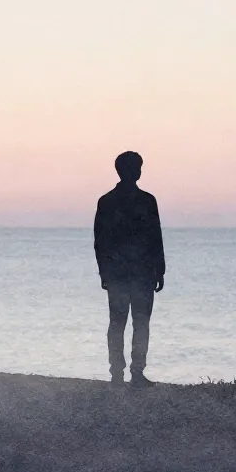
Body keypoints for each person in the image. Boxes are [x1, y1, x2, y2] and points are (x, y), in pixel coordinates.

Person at [93, 150, 165, 386]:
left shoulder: (113, 201)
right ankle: (124, 373)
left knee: (128, 323)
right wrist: (104, 271)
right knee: (129, 323)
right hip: (131, 273)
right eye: (136, 167)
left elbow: (154, 237)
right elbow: (101, 240)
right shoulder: (138, 201)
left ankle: (127, 373)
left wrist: (160, 269)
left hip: (131, 273)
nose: (138, 171)